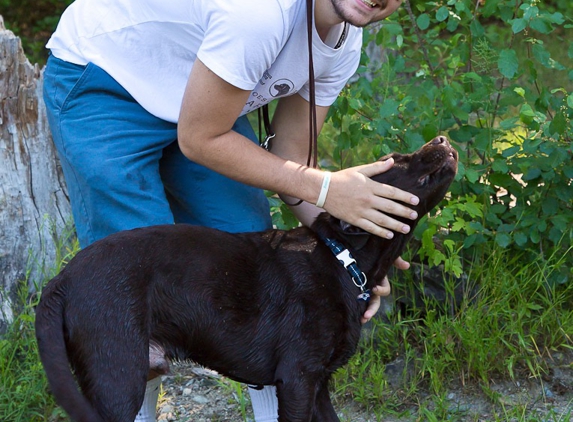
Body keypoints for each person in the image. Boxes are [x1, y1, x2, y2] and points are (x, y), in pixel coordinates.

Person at [43, 0, 418, 420]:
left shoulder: (344, 41)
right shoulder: (260, 13)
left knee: (249, 253)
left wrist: (357, 255)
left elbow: (292, 157)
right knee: (130, 282)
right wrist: (329, 187)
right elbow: (204, 140)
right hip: (107, 78)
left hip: (202, 102)